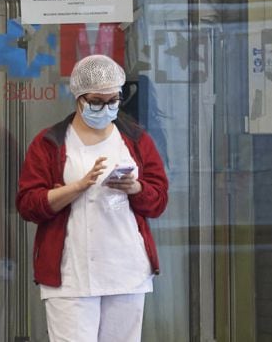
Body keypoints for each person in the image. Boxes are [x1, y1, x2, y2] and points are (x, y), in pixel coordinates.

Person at [16, 54, 168, 342]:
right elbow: (27, 204)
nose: (106, 108)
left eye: (113, 101)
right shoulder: (51, 143)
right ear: (78, 97)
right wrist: (76, 187)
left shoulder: (136, 140)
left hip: (127, 269)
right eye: (97, 101)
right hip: (71, 273)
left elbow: (159, 199)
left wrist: (135, 188)